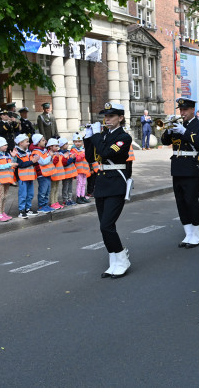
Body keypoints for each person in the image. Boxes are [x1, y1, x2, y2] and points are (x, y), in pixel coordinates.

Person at [84, 102, 133, 278]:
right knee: (104, 227)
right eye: (106, 116)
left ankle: (122, 258)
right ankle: (114, 261)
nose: (107, 119)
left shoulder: (124, 137)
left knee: (107, 225)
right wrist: (88, 137)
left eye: (111, 116)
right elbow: (90, 157)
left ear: (120, 118)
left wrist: (96, 135)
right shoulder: (102, 136)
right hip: (102, 183)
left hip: (116, 184)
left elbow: (105, 154)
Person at [161, 97, 199, 248]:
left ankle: (196, 231)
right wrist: (168, 130)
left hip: (191, 167)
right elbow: (164, 142)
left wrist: (185, 132)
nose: (182, 113)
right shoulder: (178, 125)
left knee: (191, 200)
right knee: (180, 201)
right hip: (177, 167)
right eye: (181, 110)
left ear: (192, 110)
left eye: (185, 110)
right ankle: (188, 232)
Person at [0, 136, 17, 222]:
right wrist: (10, 165)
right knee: (1, 196)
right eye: (4, 145)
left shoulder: (6, 154)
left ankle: (3, 212)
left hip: (7, 178)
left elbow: (11, 163)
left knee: (5, 196)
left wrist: (13, 157)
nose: (6, 146)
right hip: (0, 179)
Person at [13, 133, 39, 219]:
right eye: (27, 142)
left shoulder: (28, 152)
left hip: (30, 176)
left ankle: (28, 209)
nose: (28, 143)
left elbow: (31, 163)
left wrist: (35, 161)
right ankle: (21, 210)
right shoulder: (17, 153)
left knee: (30, 194)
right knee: (23, 195)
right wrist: (33, 161)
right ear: (21, 143)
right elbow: (21, 164)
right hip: (22, 178)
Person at [29, 134, 55, 214]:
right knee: (43, 191)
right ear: (38, 142)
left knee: (47, 191)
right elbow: (43, 162)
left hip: (47, 173)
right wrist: (50, 156)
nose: (45, 141)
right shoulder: (36, 152)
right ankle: (41, 206)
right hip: (42, 174)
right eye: (43, 140)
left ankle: (45, 205)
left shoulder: (43, 150)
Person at [70, 133, 91, 204]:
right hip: (78, 170)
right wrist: (83, 154)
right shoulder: (73, 150)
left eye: (79, 141)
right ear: (73, 142)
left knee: (83, 183)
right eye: (76, 141)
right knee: (79, 183)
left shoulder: (82, 149)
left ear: (82, 142)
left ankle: (82, 196)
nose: (77, 143)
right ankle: (78, 197)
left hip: (84, 170)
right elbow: (77, 159)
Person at [59, 137, 77, 206]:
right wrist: (71, 159)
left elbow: (72, 162)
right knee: (65, 187)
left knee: (70, 187)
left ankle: (70, 199)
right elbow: (65, 163)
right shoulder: (61, 154)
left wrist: (74, 158)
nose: (67, 145)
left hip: (71, 173)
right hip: (66, 174)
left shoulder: (68, 152)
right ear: (62, 145)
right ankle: (65, 200)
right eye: (65, 144)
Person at [48, 138, 65, 210]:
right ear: (50, 147)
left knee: (56, 188)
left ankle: (56, 201)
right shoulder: (50, 154)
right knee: (53, 189)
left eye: (57, 146)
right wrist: (57, 158)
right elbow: (53, 163)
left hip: (58, 174)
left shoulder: (57, 153)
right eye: (55, 146)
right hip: (53, 174)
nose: (57, 148)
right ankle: (52, 202)